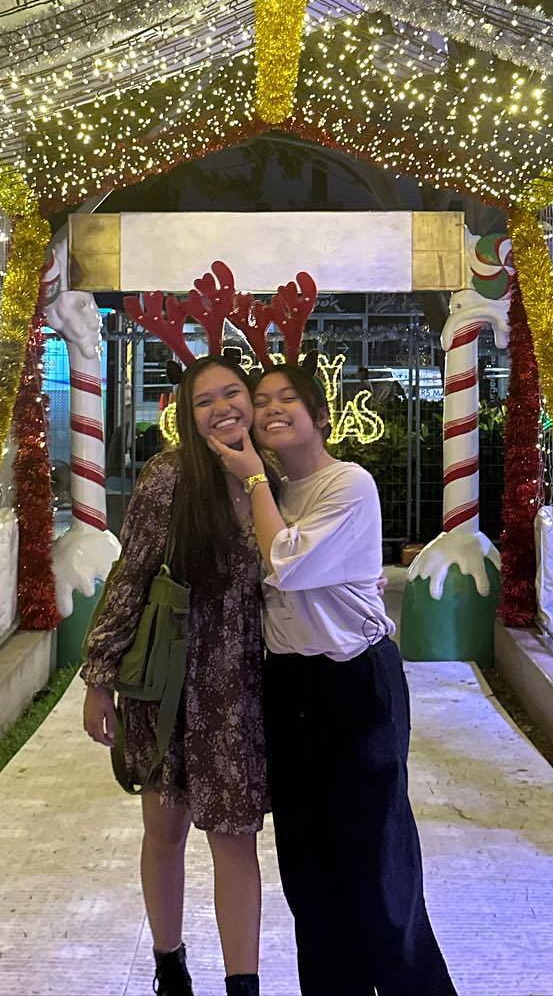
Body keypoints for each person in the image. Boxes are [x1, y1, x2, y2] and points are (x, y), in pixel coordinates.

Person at [212, 364, 457, 996]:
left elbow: (286, 565)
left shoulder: (349, 484)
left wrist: (255, 483)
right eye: (260, 400)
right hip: (289, 688)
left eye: (287, 398)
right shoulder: (265, 493)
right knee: (309, 867)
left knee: (377, 859)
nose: (271, 408)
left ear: (321, 415)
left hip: (355, 687)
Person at [81, 358, 266, 996]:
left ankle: (245, 984)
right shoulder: (170, 478)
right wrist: (100, 678)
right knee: (165, 829)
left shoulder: (275, 475)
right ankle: (170, 965)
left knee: (235, 840)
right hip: (173, 687)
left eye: (231, 393)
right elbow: (129, 578)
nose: (222, 408)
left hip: (244, 692)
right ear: (186, 417)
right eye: (203, 401)